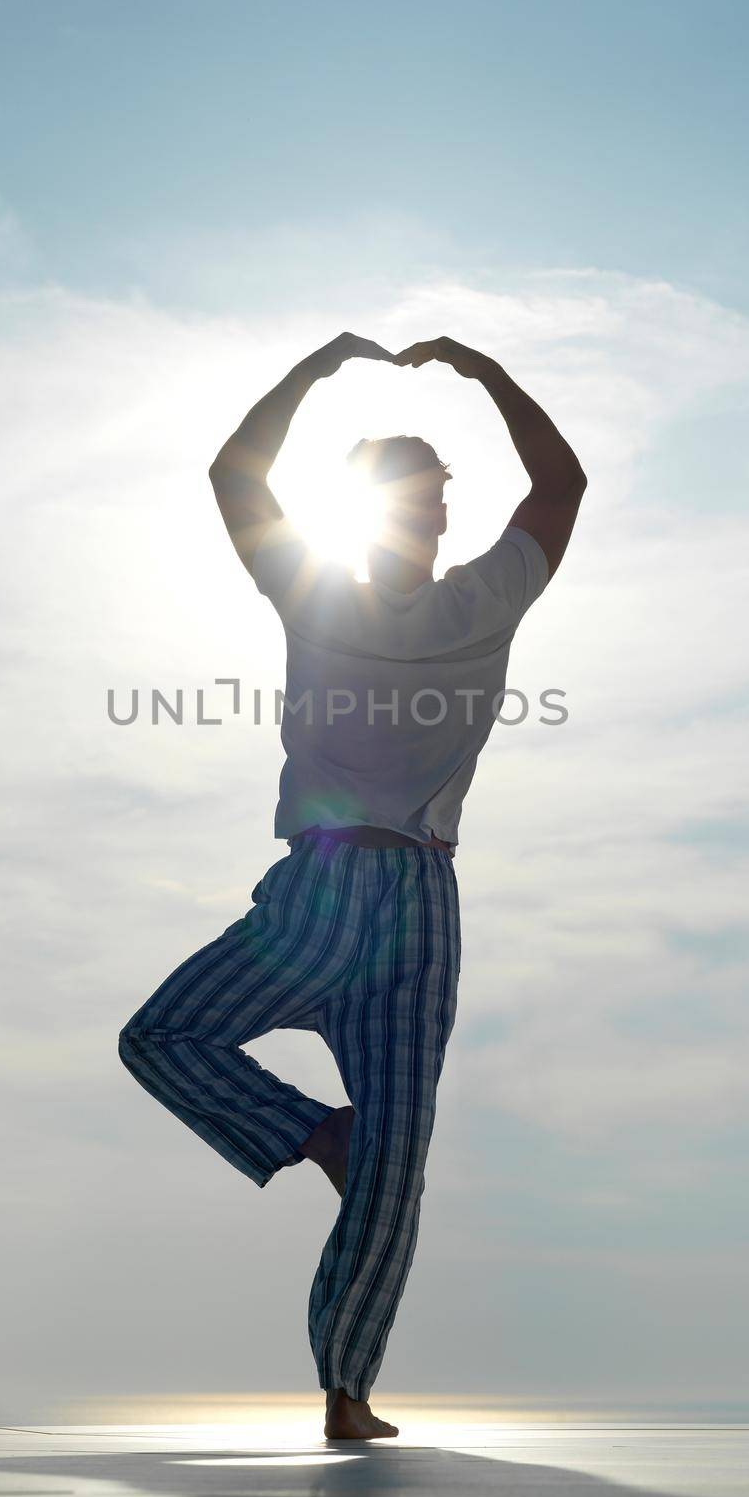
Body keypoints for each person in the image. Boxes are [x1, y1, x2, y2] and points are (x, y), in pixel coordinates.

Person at [119, 331, 587, 1440]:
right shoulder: (396, 596)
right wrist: (463, 372)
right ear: (406, 516)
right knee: (189, 1049)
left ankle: (346, 1390)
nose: (420, 516)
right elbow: (560, 482)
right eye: (414, 498)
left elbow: (238, 475)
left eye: (421, 499)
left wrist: (334, 370)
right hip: (361, 896)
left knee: (391, 1150)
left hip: (378, 895)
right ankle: (318, 1157)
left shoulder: (397, 596)